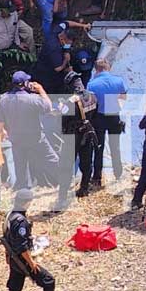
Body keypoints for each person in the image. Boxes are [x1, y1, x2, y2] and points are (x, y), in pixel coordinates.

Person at [0, 71, 59, 190]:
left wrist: (3, 132)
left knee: (20, 164)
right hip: (35, 137)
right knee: (51, 159)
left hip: (16, 138)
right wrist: (41, 90)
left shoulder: (3, 99)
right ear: (25, 83)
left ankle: (23, 189)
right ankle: (64, 180)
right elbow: (48, 107)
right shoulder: (32, 98)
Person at [1, 189, 56, 291]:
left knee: (15, 286)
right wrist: (31, 263)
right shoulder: (20, 221)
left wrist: (7, 255)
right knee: (49, 281)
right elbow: (22, 246)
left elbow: (6, 237)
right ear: (26, 202)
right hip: (22, 259)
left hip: (13, 258)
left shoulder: (10, 215)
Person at [55, 69, 98, 208]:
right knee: (86, 162)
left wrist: (61, 107)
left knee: (66, 167)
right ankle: (84, 188)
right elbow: (95, 113)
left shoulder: (71, 101)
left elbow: (64, 120)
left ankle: (62, 198)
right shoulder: (92, 96)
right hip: (88, 132)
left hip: (72, 136)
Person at [87, 59, 128, 188]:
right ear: (108, 68)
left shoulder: (92, 84)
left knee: (98, 147)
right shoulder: (119, 80)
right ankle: (118, 174)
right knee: (115, 146)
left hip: (98, 117)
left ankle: (97, 178)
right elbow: (123, 97)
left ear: (96, 69)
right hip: (114, 115)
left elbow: (91, 102)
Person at [32, 21, 90, 94]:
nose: (68, 45)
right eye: (68, 43)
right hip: (47, 74)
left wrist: (83, 25)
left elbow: (67, 23)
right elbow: (58, 68)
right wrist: (66, 61)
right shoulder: (54, 49)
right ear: (63, 39)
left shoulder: (57, 31)